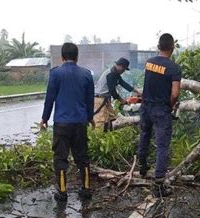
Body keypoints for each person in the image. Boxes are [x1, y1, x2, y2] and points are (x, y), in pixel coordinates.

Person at [40, 42, 95, 202]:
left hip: (62, 123)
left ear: (62, 57)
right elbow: (89, 100)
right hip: (79, 123)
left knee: (60, 157)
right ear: (77, 57)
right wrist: (90, 118)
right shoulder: (86, 75)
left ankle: (62, 192)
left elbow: (49, 98)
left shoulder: (55, 74)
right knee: (82, 157)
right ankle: (85, 189)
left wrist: (44, 118)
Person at [137, 33, 182, 197]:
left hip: (146, 106)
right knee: (162, 145)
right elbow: (175, 93)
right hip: (161, 109)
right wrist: (170, 106)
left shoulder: (149, 63)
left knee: (144, 135)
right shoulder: (174, 68)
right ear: (172, 47)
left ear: (158, 46)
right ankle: (159, 183)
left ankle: (142, 167)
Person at [94, 57, 141, 132]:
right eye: (123, 69)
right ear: (120, 66)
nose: (123, 71)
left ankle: (107, 134)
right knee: (100, 122)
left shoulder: (115, 74)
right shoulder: (111, 74)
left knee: (111, 118)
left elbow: (123, 83)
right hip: (100, 99)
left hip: (105, 99)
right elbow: (113, 91)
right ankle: (99, 138)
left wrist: (136, 91)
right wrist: (122, 101)